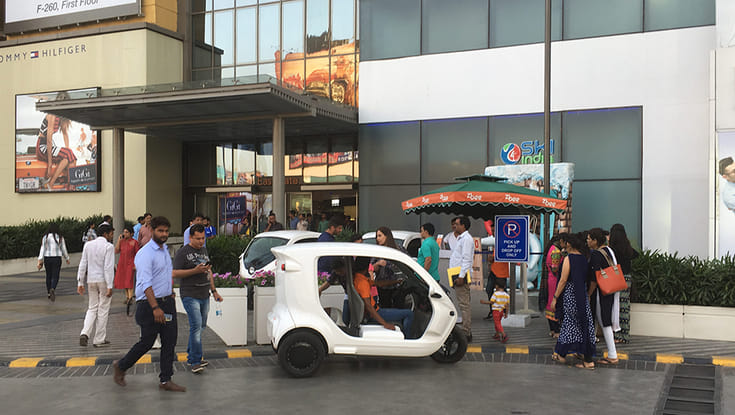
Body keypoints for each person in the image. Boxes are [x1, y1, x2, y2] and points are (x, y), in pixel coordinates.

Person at [113, 216, 186, 392]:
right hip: (149, 305)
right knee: (147, 342)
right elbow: (145, 283)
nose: (164, 234)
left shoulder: (165, 250)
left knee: (169, 340)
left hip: (167, 303)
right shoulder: (145, 254)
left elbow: (165, 275)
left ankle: (165, 380)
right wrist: (155, 308)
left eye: (166, 231)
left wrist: (170, 292)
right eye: (160, 231)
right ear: (151, 230)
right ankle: (121, 366)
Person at [173, 224, 223, 373]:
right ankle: (195, 360)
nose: (201, 241)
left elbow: (209, 272)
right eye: (198, 238)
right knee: (196, 326)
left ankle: (192, 356)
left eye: (203, 238)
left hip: (204, 293)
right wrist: (194, 271)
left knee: (201, 326)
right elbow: (174, 273)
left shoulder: (204, 250)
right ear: (190, 237)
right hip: (190, 294)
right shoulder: (182, 252)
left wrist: (214, 291)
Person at [550, 233, 596, 369]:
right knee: (581, 324)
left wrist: (555, 298)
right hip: (582, 295)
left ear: (568, 244)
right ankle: (577, 354)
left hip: (571, 295)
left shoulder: (569, 259)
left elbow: (563, 280)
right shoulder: (583, 258)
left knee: (569, 323)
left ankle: (562, 353)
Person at [353, 257, 414, 338]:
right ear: (366, 267)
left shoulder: (358, 278)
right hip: (375, 313)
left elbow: (379, 283)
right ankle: (408, 340)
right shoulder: (362, 283)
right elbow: (368, 306)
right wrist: (385, 324)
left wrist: (396, 281)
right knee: (409, 314)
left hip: (374, 311)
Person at [77, 224, 115, 348]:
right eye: (111, 234)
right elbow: (108, 267)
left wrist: (80, 282)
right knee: (103, 309)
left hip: (91, 280)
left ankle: (85, 332)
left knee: (92, 308)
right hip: (103, 280)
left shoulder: (88, 245)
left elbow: (83, 264)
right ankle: (99, 339)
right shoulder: (108, 247)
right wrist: (110, 285)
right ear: (105, 234)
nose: (112, 236)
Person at [586, 227, 620, 365]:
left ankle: (612, 354)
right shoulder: (609, 250)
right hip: (611, 288)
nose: (587, 241)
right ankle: (600, 351)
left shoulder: (596, 254)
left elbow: (594, 279)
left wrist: (589, 294)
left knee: (604, 321)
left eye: (589, 239)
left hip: (602, 291)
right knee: (604, 320)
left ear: (595, 241)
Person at [36, 92, 76, 190]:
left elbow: (65, 134)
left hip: (48, 146)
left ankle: (71, 187)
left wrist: (68, 152)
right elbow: (49, 140)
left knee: (72, 158)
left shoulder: (61, 116)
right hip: (42, 146)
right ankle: (51, 183)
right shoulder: (52, 114)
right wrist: (50, 165)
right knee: (69, 154)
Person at [609, 223, 639, 344]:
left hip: (616, 278)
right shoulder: (627, 248)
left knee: (616, 306)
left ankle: (618, 334)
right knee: (624, 306)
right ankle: (625, 334)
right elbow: (636, 254)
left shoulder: (612, 249)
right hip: (627, 279)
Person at [448, 216, 473, 341]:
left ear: (463, 226)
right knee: (462, 303)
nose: (455, 226)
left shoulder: (466, 239)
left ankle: (466, 332)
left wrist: (461, 276)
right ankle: (466, 330)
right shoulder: (461, 238)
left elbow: (466, 259)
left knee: (464, 304)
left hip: (460, 275)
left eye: (457, 224)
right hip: (456, 273)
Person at [371, 226, 406, 309]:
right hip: (383, 286)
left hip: (398, 285)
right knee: (385, 307)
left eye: (380, 236)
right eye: (377, 236)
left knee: (398, 307)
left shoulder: (398, 249)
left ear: (387, 236)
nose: (378, 239)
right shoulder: (377, 251)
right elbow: (371, 268)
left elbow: (406, 262)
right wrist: (378, 264)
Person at [37, 222, 70, 301]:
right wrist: (67, 258)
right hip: (57, 258)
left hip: (47, 258)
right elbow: (63, 248)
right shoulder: (60, 237)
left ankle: (49, 293)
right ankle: (53, 288)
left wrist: (40, 259)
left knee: (48, 275)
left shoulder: (45, 237)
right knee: (55, 275)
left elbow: (42, 248)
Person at [485, 222, 510, 320]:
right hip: (494, 270)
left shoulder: (504, 241)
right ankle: (494, 310)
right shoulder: (497, 242)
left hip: (501, 272)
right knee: (489, 289)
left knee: (502, 292)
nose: (492, 233)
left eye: (494, 231)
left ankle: (502, 311)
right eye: (492, 231)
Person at [542, 236, 564, 337]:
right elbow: (555, 268)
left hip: (551, 279)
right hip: (555, 280)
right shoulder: (556, 252)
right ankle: (556, 329)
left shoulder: (551, 248)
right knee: (554, 303)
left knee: (550, 302)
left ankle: (552, 329)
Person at [114, 225, 140, 307]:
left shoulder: (134, 242)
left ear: (131, 233)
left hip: (130, 263)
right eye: (124, 232)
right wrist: (118, 240)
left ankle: (130, 297)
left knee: (129, 280)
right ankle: (127, 297)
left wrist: (136, 264)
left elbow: (138, 254)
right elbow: (116, 250)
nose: (125, 234)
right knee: (124, 280)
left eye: (127, 232)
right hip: (122, 263)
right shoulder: (122, 242)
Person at [480, 278, 509, 343]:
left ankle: (504, 334)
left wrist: (484, 302)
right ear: (504, 286)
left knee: (497, 323)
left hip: (496, 311)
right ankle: (497, 334)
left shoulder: (495, 294)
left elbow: (491, 302)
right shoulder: (506, 295)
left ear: (496, 286)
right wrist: (506, 313)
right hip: (501, 311)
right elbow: (507, 305)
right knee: (497, 323)